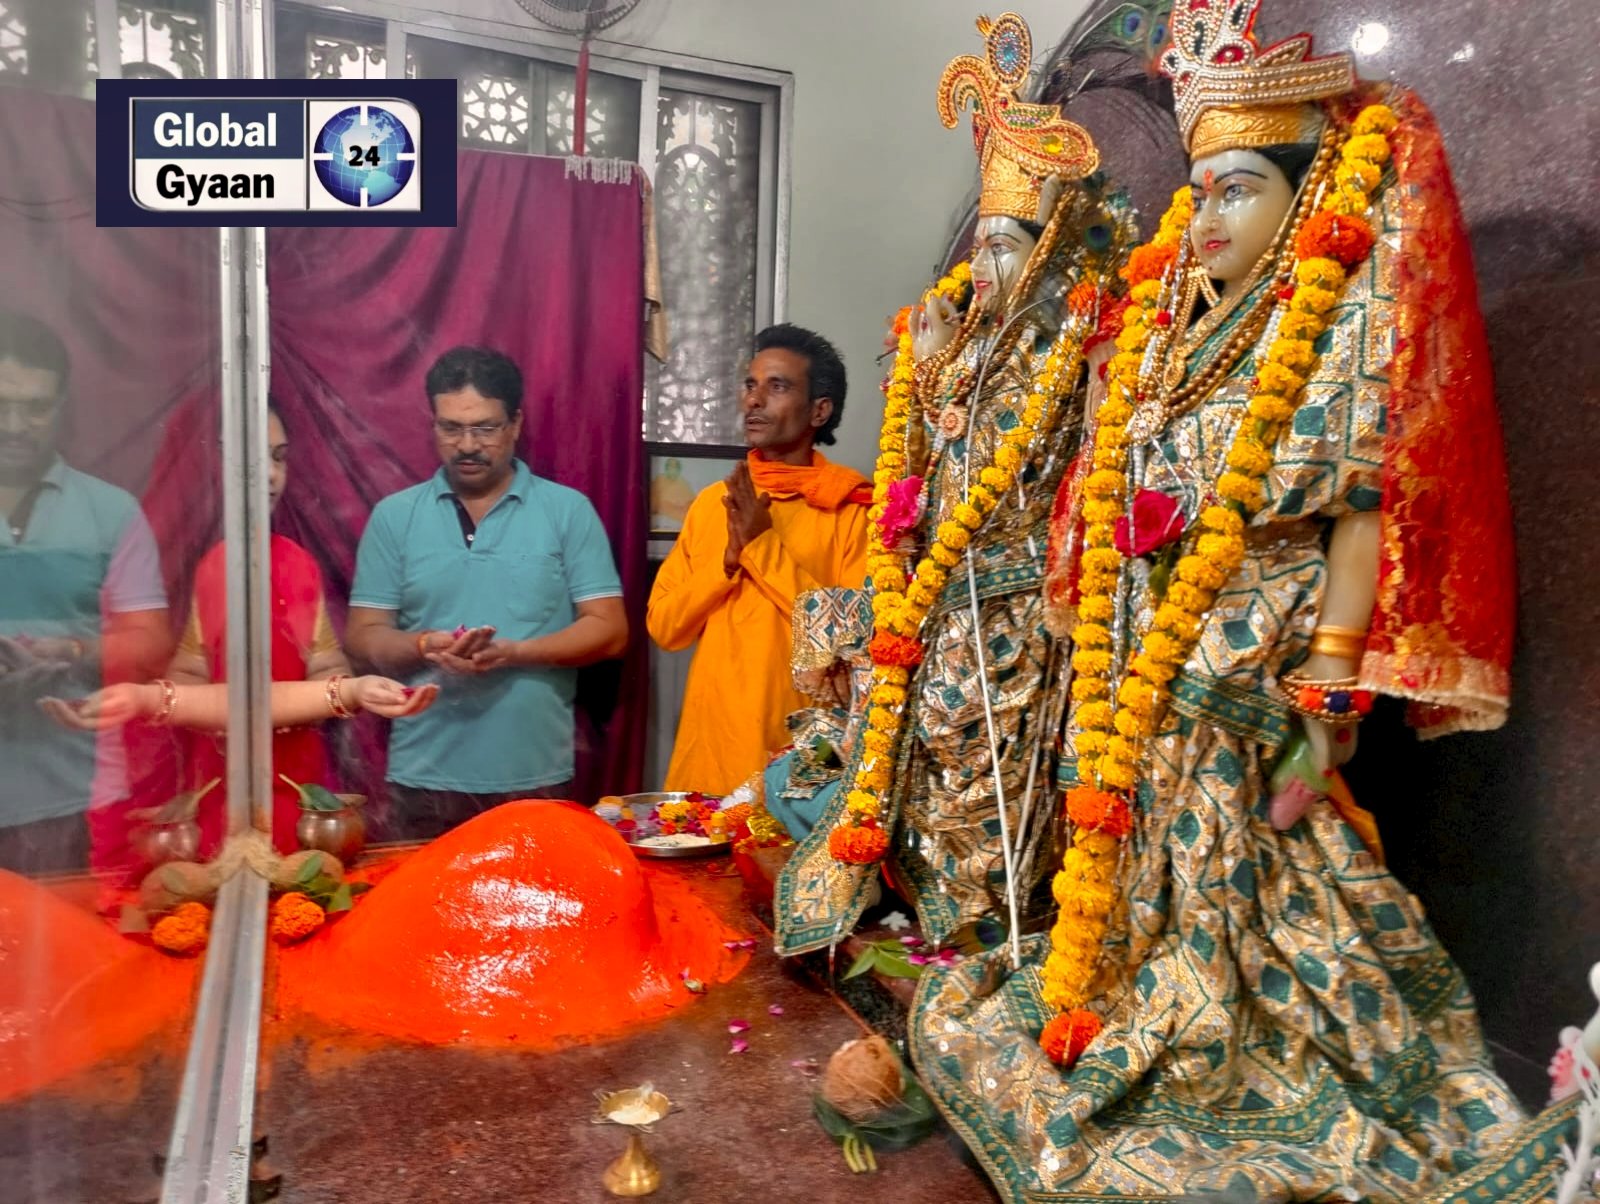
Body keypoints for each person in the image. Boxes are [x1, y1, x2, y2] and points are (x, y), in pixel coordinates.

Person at [906, 4, 1531, 1199]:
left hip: (1254, 667)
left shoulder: (1331, 328)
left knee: (1271, 866)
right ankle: (1148, 996)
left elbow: (1360, 507)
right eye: (1198, 191)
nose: (1205, 219)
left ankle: (1291, 1053)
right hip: (1149, 660)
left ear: (1302, 198)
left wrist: (1332, 686)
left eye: (1238, 189)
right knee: (1138, 858)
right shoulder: (1171, 341)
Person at [772, 15, 1135, 953]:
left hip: (1019, 606)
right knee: (918, 741)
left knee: (986, 764)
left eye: (1009, 246)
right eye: (984, 244)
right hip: (941, 598)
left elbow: (1082, 468)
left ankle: (985, 913)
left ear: (1049, 248)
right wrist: (931, 369)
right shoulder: (958, 343)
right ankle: (916, 886)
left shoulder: (1077, 345)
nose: (987, 266)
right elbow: (927, 472)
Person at [345, 346, 627, 839]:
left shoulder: (567, 512)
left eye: (485, 428)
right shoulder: (395, 517)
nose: (467, 445)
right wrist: (424, 644)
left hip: (535, 778)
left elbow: (610, 631)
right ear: (433, 424)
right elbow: (363, 635)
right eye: (451, 428)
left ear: (516, 423)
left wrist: (513, 653)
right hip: (422, 782)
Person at [646, 324, 871, 798]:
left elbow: (850, 643)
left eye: (778, 386)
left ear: (819, 410)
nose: (754, 399)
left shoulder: (852, 509)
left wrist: (762, 546)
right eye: (751, 384)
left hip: (804, 757)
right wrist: (726, 565)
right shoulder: (714, 503)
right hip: (710, 751)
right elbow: (664, 627)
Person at [0, 311, 170, 873]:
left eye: (35, 407)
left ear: (61, 405)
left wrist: (71, 651)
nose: (15, 424)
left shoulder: (110, 511)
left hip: (74, 799)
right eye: (2, 404)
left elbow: (151, 644)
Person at [166, 404, 350, 857]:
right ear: (218, 464)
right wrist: (163, 699)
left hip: (296, 782)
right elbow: (188, 668)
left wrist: (342, 691)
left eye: (279, 457)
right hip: (221, 783)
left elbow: (328, 664)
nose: (269, 474)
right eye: (252, 460)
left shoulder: (296, 563)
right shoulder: (213, 565)